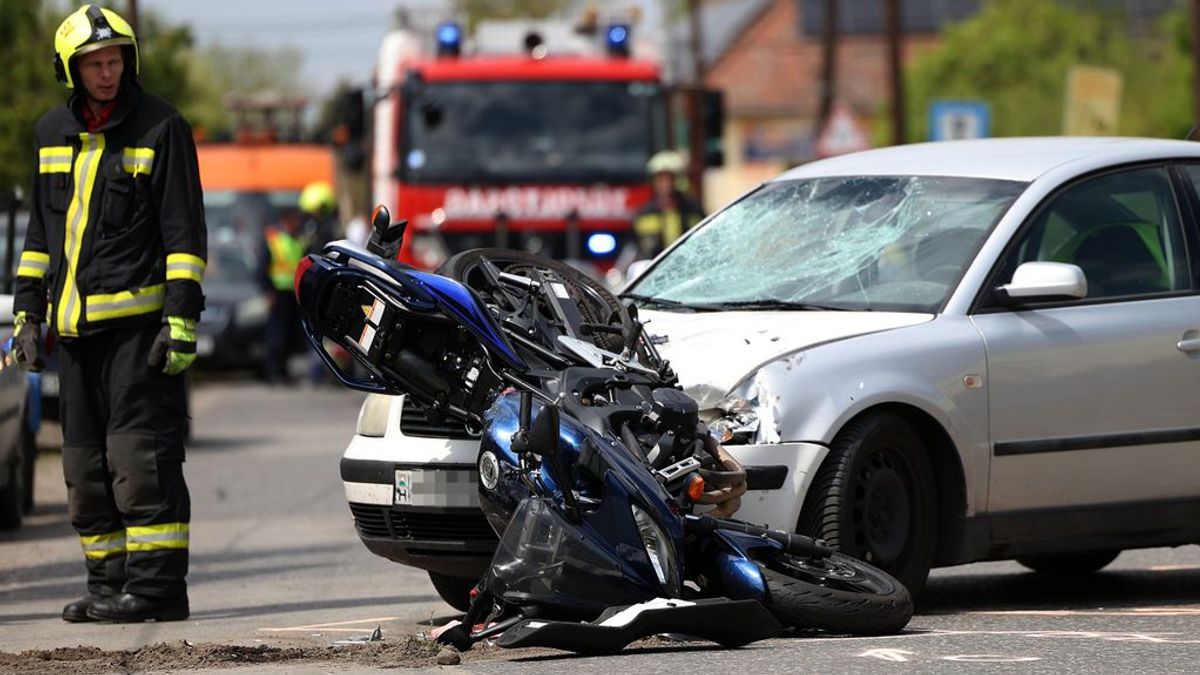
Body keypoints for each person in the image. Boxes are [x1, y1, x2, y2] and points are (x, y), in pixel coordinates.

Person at [12, 5, 206, 623]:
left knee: (140, 462)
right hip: (72, 337)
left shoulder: (162, 127)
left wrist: (180, 321)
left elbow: (184, 235)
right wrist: (26, 315)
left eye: (114, 60)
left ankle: (154, 592)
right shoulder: (49, 134)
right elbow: (41, 237)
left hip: (140, 337)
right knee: (83, 470)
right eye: (93, 63)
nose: (106, 73)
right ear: (70, 69)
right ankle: (108, 586)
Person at [258, 206, 306, 384]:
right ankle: (272, 373)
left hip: (292, 295)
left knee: (289, 336)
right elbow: (262, 268)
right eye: (294, 221)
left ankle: (283, 372)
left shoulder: (298, 240)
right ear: (286, 221)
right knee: (275, 337)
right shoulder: (274, 240)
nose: (297, 224)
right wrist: (268, 292)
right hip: (277, 295)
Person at [298, 181, 338, 384]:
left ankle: (319, 373)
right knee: (319, 330)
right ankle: (321, 372)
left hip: (317, 287)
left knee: (316, 330)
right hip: (323, 287)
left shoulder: (316, 230)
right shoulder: (329, 229)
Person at [631, 150, 705, 260]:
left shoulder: (692, 210)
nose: (665, 184)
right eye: (660, 178)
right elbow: (634, 247)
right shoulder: (644, 213)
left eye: (669, 178)